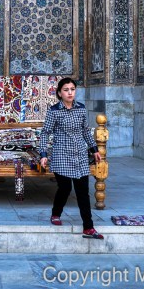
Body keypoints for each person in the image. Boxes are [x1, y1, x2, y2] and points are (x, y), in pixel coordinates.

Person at [39, 77, 104, 239]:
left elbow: (85, 131)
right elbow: (45, 133)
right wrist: (43, 154)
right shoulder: (54, 111)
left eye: (72, 89)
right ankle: (56, 213)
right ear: (60, 93)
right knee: (65, 188)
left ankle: (88, 227)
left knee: (83, 191)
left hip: (80, 154)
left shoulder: (81, 109)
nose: (70, 92)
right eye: (66, 90)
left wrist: (94, 149)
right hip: (61, 154)